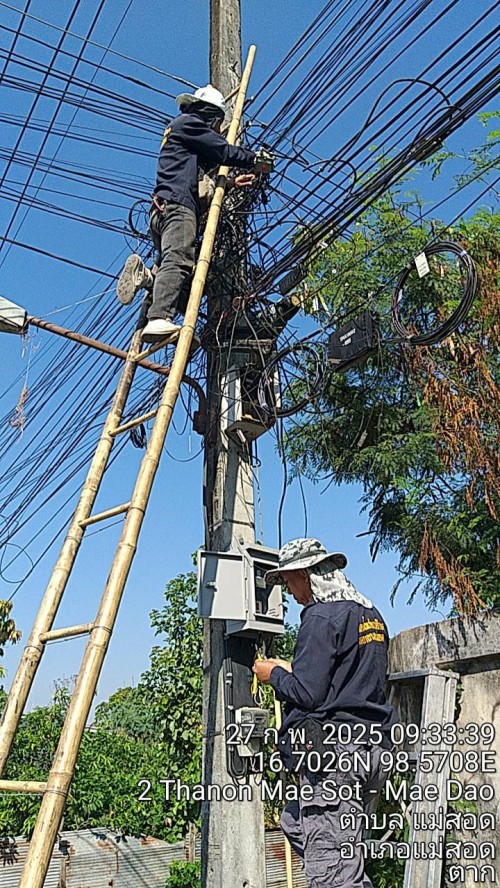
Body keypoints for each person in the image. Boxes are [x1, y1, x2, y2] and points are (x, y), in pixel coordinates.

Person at [253, 537, 397, 888]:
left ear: (305, 574)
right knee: (295, 821)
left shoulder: (319, 617)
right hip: (373, 748)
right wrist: (289, 669)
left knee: (331, 870)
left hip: (337, 757)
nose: (288, 590)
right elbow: (345, 680)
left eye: (288, 580)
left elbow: (309, 694)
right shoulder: (369, 615)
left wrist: (272, 675)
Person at [116, 84, 268, 343]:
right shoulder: (190, 124)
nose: (218, 131)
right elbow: (222, 150)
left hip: (162, 209)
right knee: (179, 260)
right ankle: (158, 319)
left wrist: (230, 184)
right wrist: (255, 159)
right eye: (218, 125)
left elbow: (201, 178)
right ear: (212, 116)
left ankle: (149, 277)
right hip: (179, 208)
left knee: (176, 269)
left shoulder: (180, 133)